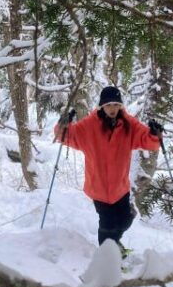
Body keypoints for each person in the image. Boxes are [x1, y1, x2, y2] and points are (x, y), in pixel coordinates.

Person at [54, 86, 162, 251]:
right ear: (102, 106)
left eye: (116, 105)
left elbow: (147, 140)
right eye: (109, 105)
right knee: (108, 225)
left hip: (120, 187)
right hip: (99, 187)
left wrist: (154, 134)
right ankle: (107, 255)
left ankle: (114, 246)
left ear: (120, 106)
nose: (113, 109)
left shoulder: (128, 124)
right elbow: (65, 136)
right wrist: (63, 124)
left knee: (124, 221)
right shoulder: (89, 125)